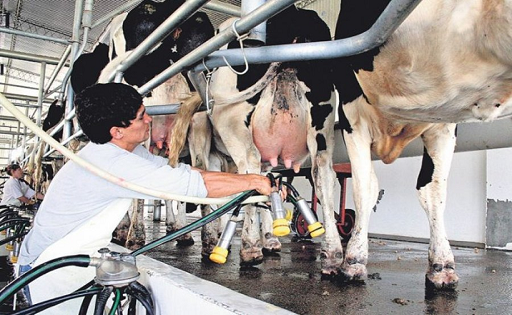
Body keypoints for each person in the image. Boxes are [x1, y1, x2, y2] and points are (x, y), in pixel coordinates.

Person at [17, 83, 275, 312]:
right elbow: (193, 185)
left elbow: (180, 171)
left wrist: (250, 181)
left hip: (67, 263)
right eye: (142, 117)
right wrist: (253, 180)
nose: (150, 120)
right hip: (48, 270)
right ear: (117, 131)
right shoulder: (111, 163)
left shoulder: (120, 152)